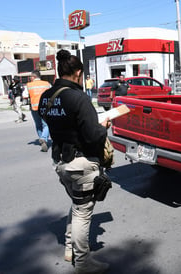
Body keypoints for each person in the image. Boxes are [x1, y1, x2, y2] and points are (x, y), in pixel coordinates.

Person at [38, 49, 110, 274]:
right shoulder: (79, 98)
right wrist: (103, 127)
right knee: (82, 211)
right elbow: (92, 135)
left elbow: (53, 122)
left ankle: (69, 247)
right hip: (81, 162)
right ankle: (83, 264)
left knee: (77, 205)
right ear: (78, 73)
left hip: (60, 162)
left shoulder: (46, 96)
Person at [26, 70, 52, 152]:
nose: (30, 78)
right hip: (45, 107)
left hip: (34, 108)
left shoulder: (29, 85)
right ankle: (44, 138)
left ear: (33, 77)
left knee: (38, 125)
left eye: (30, 76)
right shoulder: (47, 84)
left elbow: (24, 95)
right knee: (46, 125)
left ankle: (42, 139)